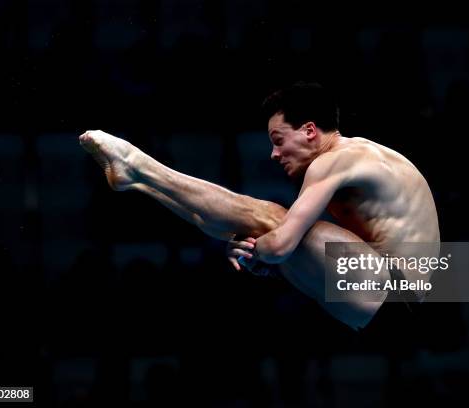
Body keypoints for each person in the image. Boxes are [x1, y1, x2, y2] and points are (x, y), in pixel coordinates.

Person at [79, 82, 440, 331]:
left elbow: (281, 244)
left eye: (279, 140)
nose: (274, 153)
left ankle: (138, 167)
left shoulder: (335, 161)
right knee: (262, 225)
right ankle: (138, 178)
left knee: (267, 216)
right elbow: (283, 249)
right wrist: (265, 255)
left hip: (395, 295)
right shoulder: (362, 156)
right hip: (396, 299)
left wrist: (261, 253)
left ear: (310, 130)